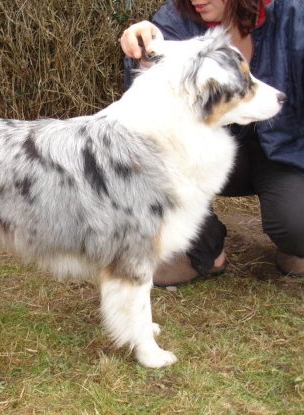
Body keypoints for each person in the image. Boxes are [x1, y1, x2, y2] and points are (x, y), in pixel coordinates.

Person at [120, 0, 304, 286]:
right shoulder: (175, 18)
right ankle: (207, 248)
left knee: (298, 228)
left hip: (286, 151)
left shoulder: (295, 14)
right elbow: (149, 112)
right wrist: (144, 58)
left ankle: (293, 245)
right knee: (146, 170)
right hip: (208, 153)